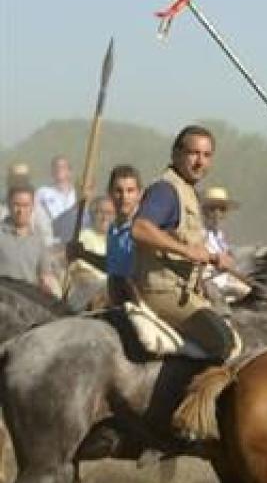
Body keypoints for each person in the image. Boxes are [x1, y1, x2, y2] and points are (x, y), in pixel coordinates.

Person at [128, 125, 239, 359]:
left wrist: (214, 257)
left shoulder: (188, 191)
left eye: (207, 155)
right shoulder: (166, 190)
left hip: (185, 291)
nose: (200, 162)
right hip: (163, 292)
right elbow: (140, 228)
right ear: (176, 154)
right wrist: (187, 251)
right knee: (223, 342)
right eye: (194, 153)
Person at [65, 165, 144, 307]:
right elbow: (112, 266)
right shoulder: (113, 229)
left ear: (139, 194)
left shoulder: (143, 228)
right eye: (118, 191)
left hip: (138, 304)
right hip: (116, 301)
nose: (124, 197)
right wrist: (82, 254)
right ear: (110, 193)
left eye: (130, 191)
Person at [200, 186, 248, 302]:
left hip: (224, 281)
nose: (217, 213)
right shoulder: (199, 232)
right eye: (212, 209)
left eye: (222, 209)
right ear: (204, 211)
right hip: (207, 284)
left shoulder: (219, 236)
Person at [0, 185, 54, 288]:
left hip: (27, 298)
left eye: (25, 205)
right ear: (9, 205)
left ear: (32, 206)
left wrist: (46, 283)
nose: (21, 211)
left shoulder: (38, 240)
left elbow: (45, 273)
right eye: (16, 205)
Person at [35, 155, 78, 244]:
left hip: (74, 239)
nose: (58, 169)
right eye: (55, 167)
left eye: (62, 167)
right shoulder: (43, 193)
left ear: (70, 171)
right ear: (51, 172)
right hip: (51, 239)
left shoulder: (77, 194)